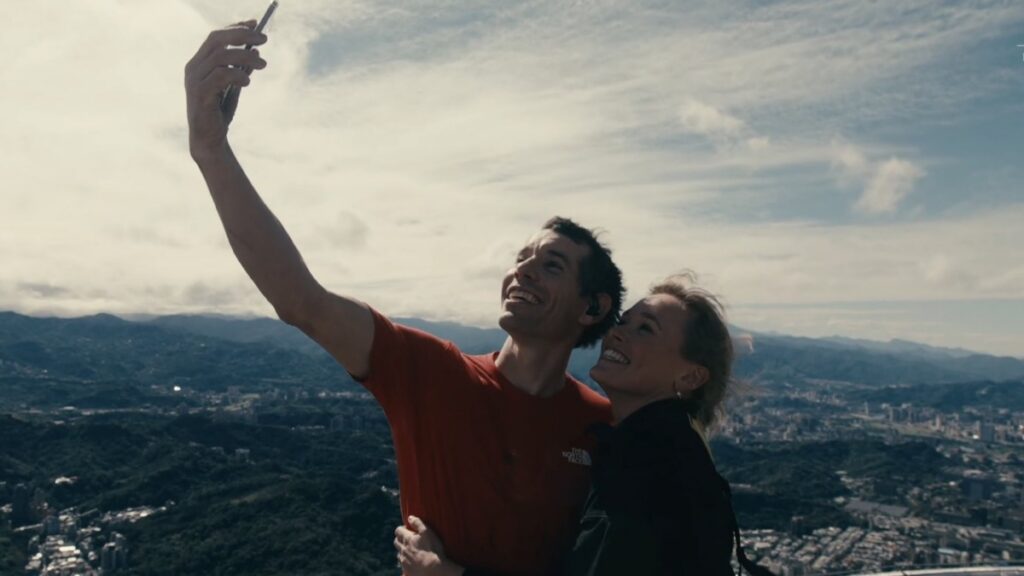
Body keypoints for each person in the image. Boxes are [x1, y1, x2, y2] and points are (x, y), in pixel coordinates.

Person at [184, 20, 626, 576]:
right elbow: (301, 300)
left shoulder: (609, 429)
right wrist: (211, 151)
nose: (522, 272)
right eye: (521, 258)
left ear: (593, 308)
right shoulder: (431, 374)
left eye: (551, 265)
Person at [394, 275, 775, 575]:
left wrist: (443, 573)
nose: (619, 331)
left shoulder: (649, 472)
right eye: (625, 320)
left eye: (646, 329)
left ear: (690, 377)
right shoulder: (663, 450)